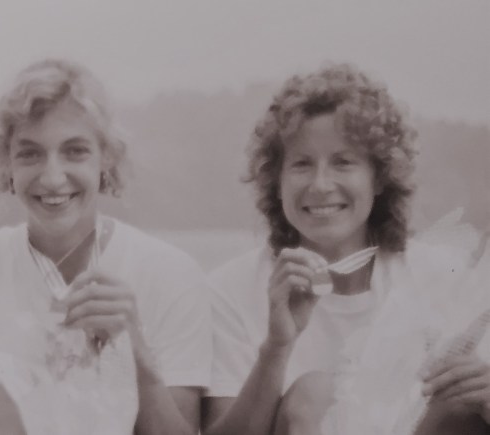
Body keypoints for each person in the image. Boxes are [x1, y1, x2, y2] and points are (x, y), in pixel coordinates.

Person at [203, 63, 490, 434]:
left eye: (343, 163)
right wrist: (277, 346)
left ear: (380, 177)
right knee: (315, 394)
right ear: (276, 181)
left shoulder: (444, 277)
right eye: (302, 164)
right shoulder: (230, 290)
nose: (321, 185)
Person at [0, 58, 210, 435]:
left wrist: (136, 351)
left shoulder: (170, 273)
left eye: (74, 151)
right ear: (7, 162)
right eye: (30, 153)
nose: (52, 177)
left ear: (106, 157)